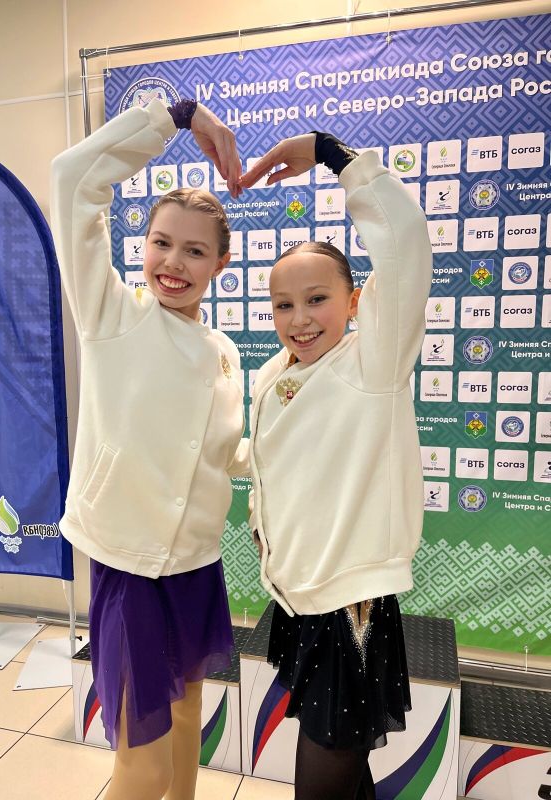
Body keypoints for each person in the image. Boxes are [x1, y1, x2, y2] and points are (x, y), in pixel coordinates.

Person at [51, 98, 248, 800]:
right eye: (162, 242)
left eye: (195, 250)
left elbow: (222, 453)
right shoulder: (114, 315)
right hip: (130, 562)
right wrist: (182, 116)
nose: (174, 262)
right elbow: (73, 179)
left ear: (221, 262)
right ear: (142, 245)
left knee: (190, 720)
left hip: (195, 564)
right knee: (145, 763)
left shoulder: (224, 352)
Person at [241, 132, 432, 800]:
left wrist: (333, 155)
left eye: (317, 299)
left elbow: (406, 247)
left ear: (355, 303)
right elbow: (273, 462)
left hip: (349, 605)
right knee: (346, 767)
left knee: (325, 771)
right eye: (283, 304)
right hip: (300, 596)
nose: (299, 319)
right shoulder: (274, 374)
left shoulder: (372, 362)